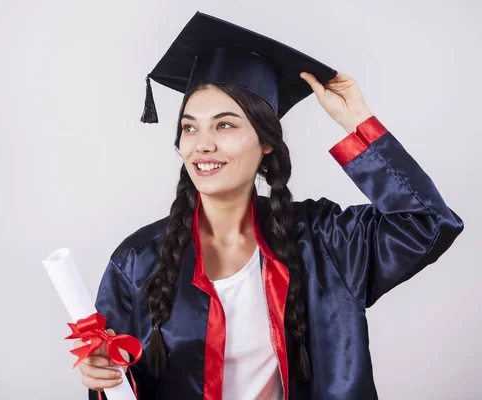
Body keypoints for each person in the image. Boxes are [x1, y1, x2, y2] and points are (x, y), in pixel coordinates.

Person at [73, 11, 464, 400]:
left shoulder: (326, 241)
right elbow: (116, 381)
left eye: (224, 125)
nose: (201, 144)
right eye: (190, 127)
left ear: (267, 142)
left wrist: (358, 121)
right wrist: (102, 378)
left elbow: (428, 224)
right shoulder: (138, 262)